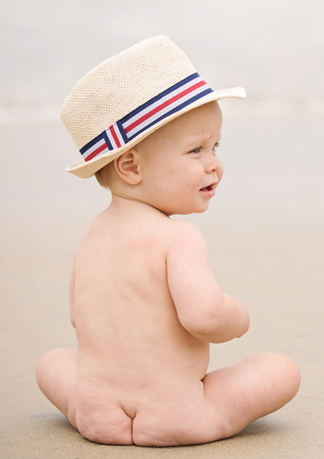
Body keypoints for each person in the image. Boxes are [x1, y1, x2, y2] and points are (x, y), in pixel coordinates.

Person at [36, 36, 301, 446]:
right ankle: (184, 416)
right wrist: (237, 314)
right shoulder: (178, 237)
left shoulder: (92, 234)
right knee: (281, 370)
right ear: (130, 167)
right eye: (196, 150)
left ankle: (94, 411)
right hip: (177, 413)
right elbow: (206, 318)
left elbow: (78, 317)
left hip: (98, 413)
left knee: (52, 363)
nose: (215, 164)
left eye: (215, 147)